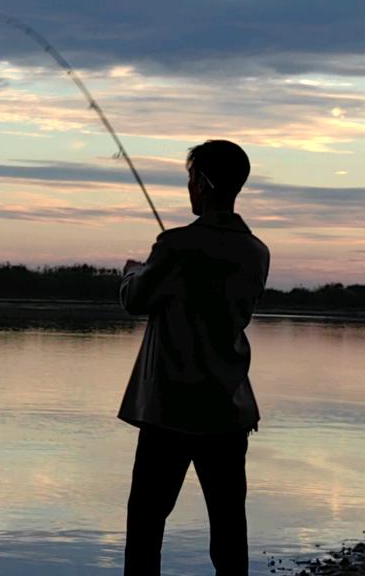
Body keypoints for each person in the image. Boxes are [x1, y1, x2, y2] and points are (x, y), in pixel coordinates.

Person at [118, 139, 270, 576]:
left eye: (190, 179)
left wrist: (133, 271)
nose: (188, 189)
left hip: (170, 409)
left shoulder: (176, 244)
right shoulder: (257, 251)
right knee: (228, 528)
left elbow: (137, 299)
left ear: (202, 184)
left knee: (146, 523)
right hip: (228, 407)